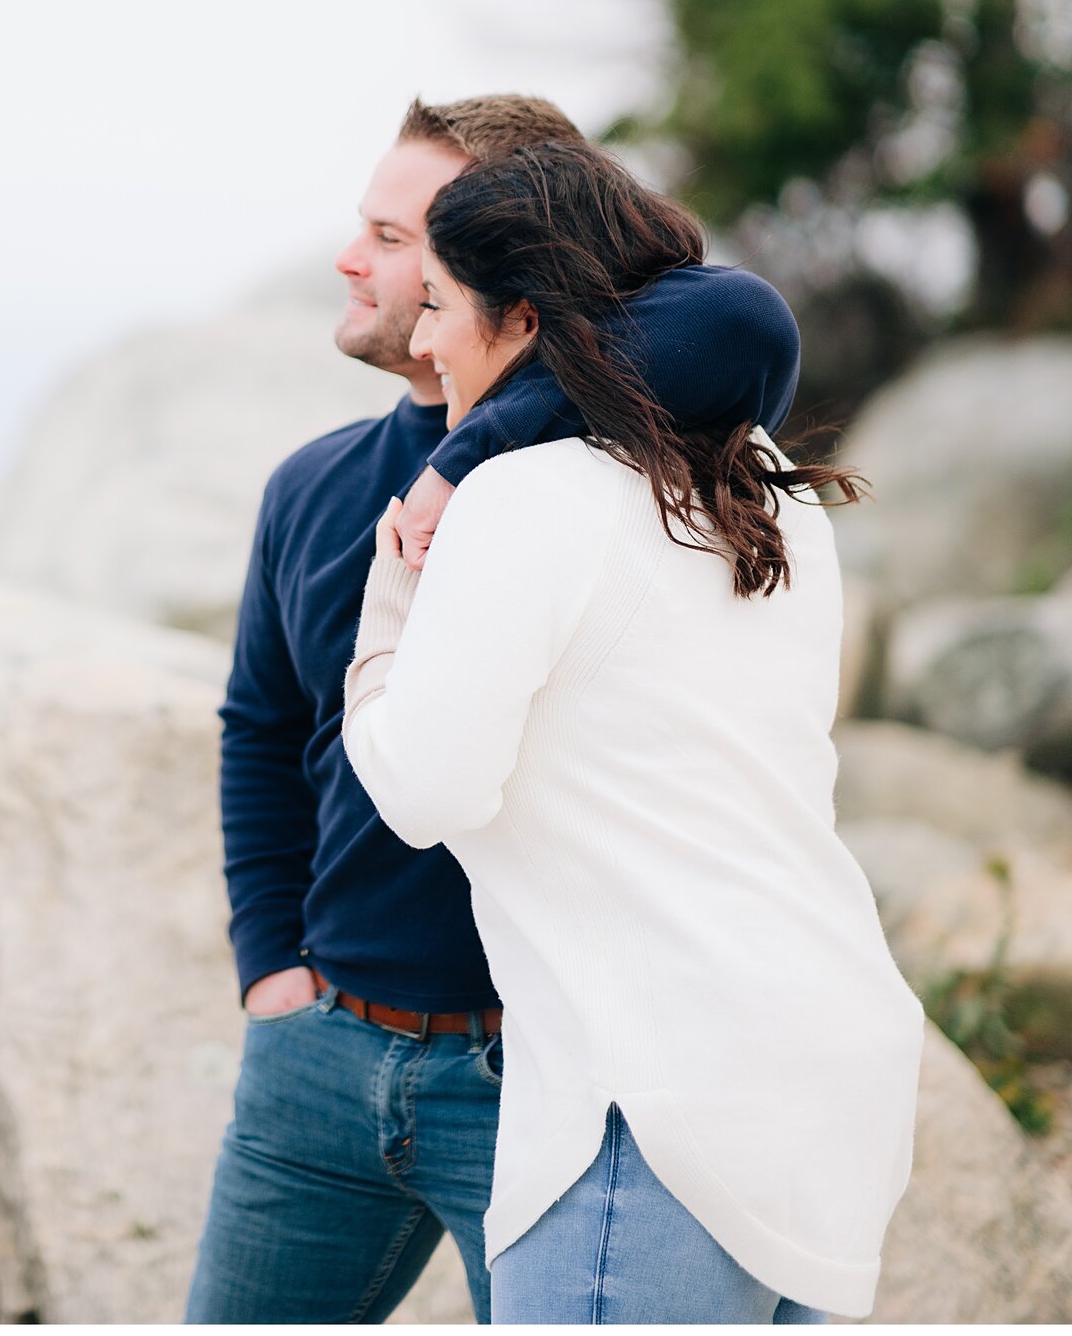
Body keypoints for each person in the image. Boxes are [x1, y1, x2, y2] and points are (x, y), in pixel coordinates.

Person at [183, 95, 805, 1323]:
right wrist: (271, 969)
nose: (350, 258)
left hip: (542, 1077)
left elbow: (733, 314)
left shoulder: (623, 470)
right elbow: (258, 728)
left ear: (498, 268)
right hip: (321, 1051)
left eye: (391, 232)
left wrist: (465, 451)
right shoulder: (309, 486)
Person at [338, 139, 923, 1324]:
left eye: (441, 305)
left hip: (653, 1107)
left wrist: (389, 598)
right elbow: (727, 325)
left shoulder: (526, 500)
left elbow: (424, 790)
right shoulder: (764, 487)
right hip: (827, 1078)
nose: (425, 342)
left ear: (520, 319)